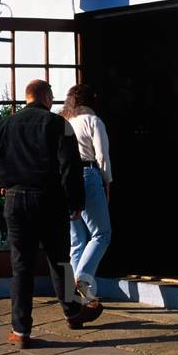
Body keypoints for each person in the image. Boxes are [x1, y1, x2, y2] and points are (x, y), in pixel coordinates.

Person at [0, 79, 105, 348]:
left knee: (21, 266)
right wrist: (75, 202)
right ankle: (72, 310)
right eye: (52, 96)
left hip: (15, 198)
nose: (53, 101)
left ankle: (20, 330)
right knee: (60, 261)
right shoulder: (57, 124)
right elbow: (70, 166)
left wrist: (1, 183)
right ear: (45, 96)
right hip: (49, 199)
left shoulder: (4, 126)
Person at [60, 84, 112, 304]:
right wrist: (107, 182)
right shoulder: (93, 121)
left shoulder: (65, 123)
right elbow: (101, 156)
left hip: (65, 179)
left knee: (77, 240)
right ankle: (82, 279)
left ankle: (73, 295)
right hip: (88, 175)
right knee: (101, 234)